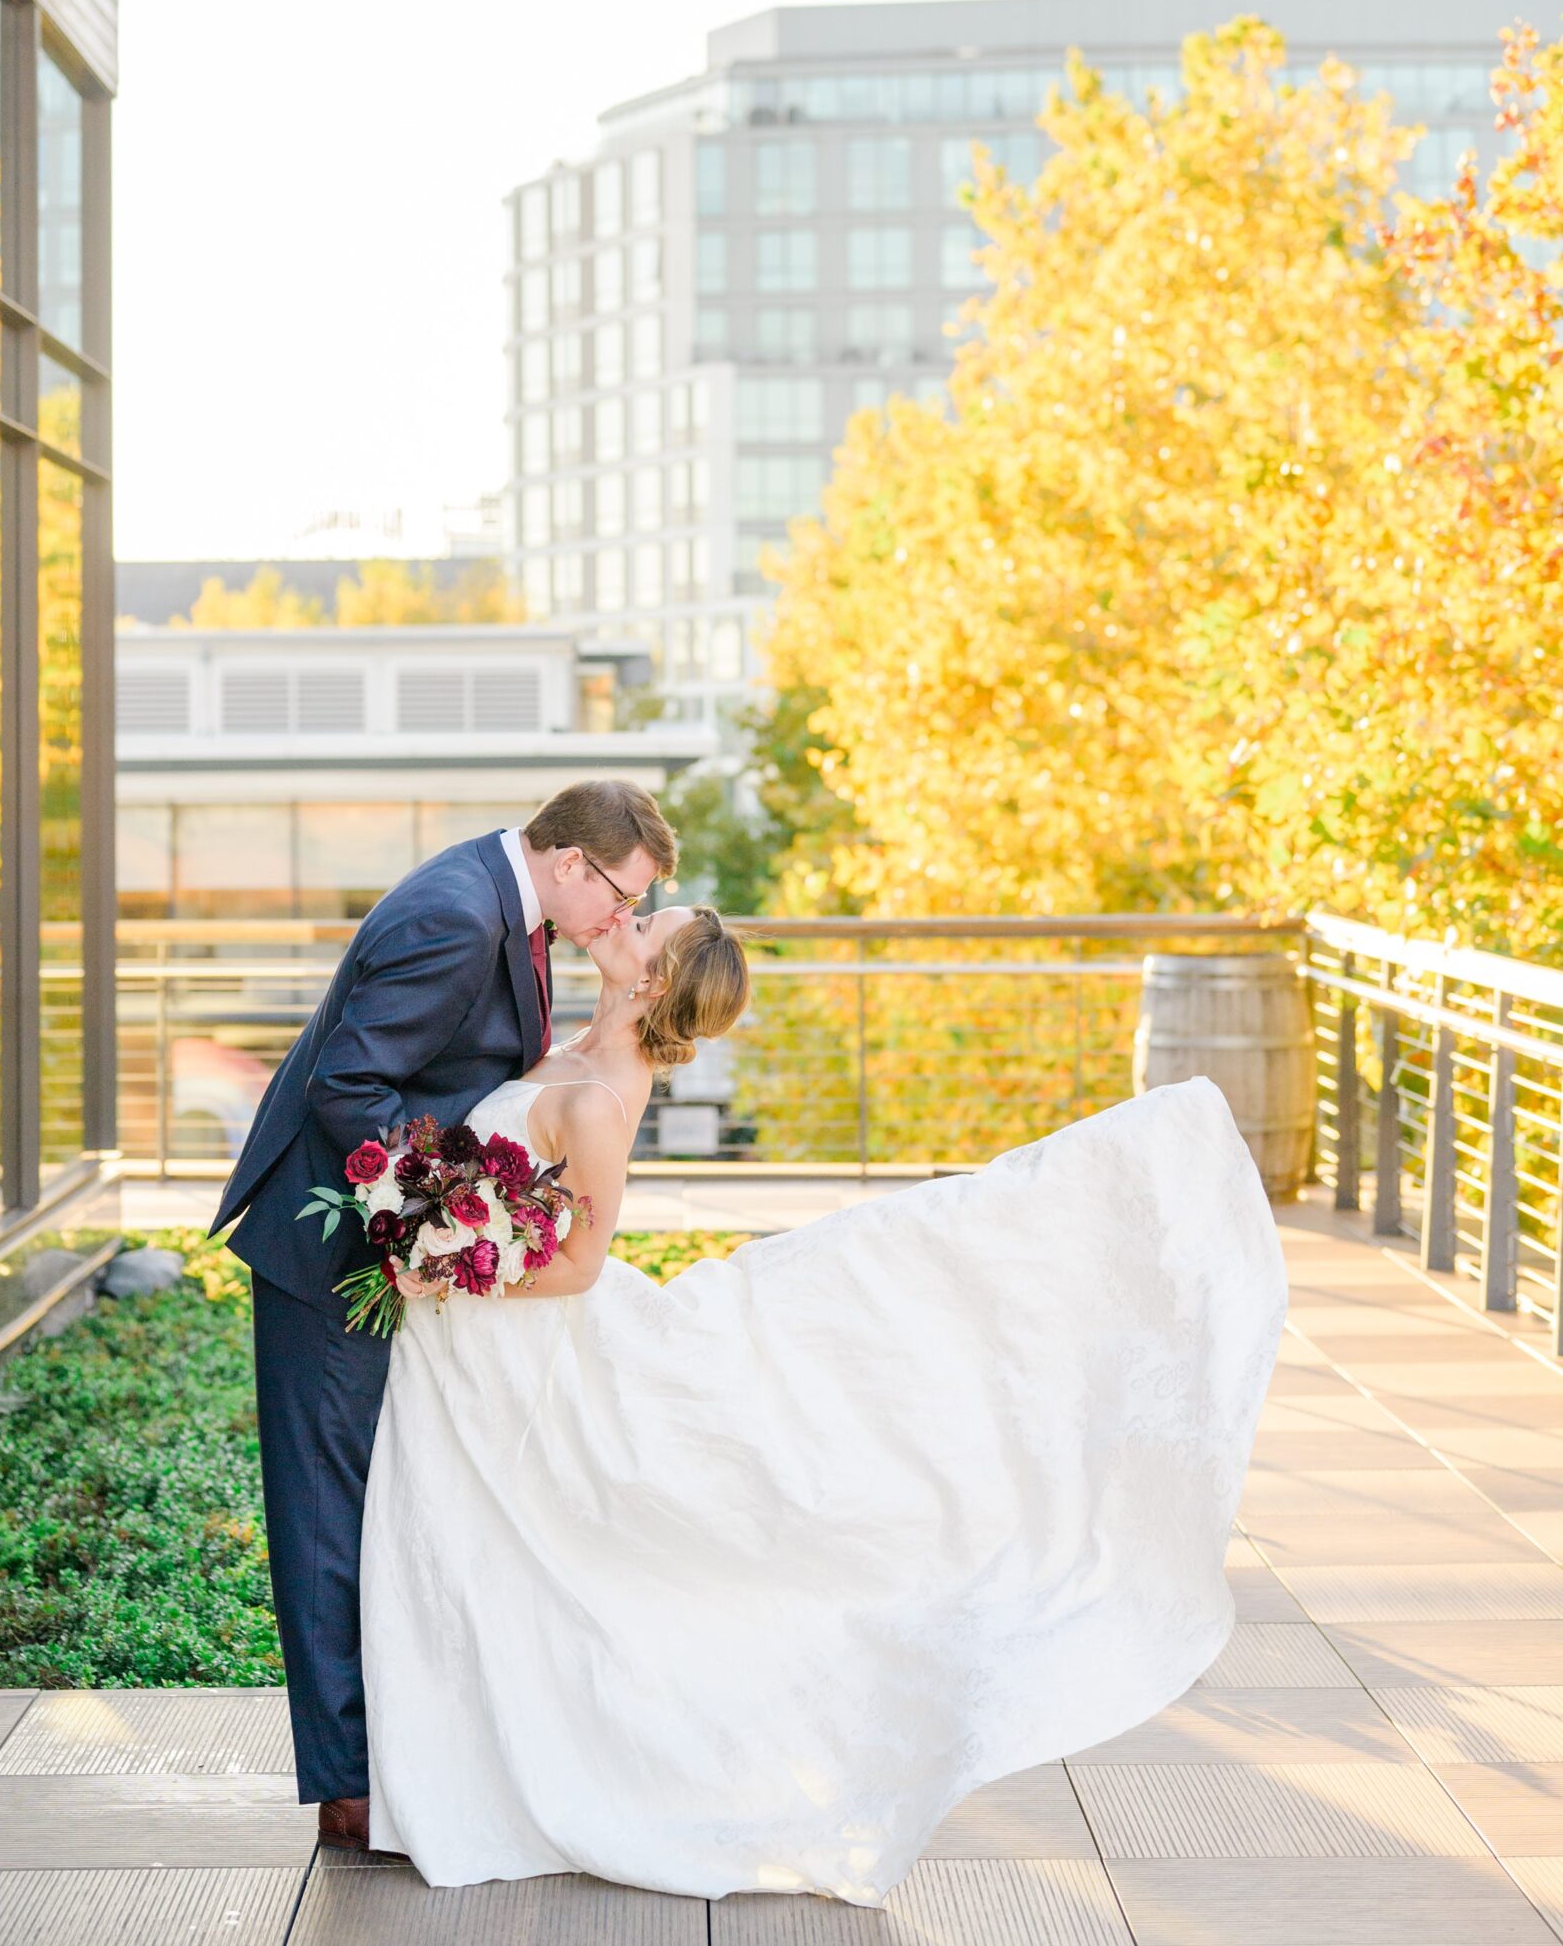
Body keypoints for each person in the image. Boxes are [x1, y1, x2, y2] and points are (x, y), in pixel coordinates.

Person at [361, 907, 1288, 1903]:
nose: (623, 921)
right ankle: (456, 1766)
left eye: (647, 924)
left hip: (507, 1338)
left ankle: (524, 1775)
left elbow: (581, 1265)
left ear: (651, 977)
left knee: (526, 1544)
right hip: (471, 1344)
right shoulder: (564, 1043)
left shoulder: (597, 1096)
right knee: (465, 1546)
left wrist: (446, 1269)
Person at [209, 779, 677, 1850]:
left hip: (380, 1249)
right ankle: (348, 1787)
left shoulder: (498, 902)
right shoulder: (456, 917)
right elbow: (349, 1088)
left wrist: (468, 1220)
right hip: (326, 1251)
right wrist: (453, 1213)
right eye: (617, 895)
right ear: (569, 861)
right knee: (326, 1513)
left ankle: (394, 1750)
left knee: (379, 1502)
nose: (616, 918)